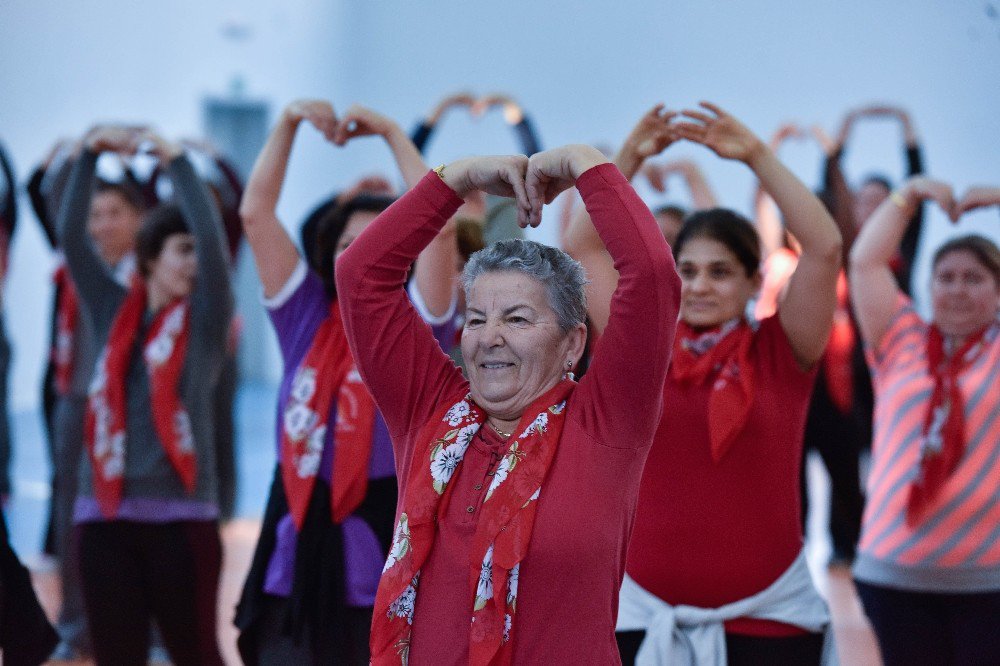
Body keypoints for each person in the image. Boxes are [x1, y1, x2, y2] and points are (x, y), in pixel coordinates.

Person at [336, 143, 678, 663]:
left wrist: (587, 166)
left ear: (573, 343)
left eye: (517, 319)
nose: (488, 337)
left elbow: (652, 277)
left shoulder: (608, 420)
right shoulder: (428, 407)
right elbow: (360, 276)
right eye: (476, 319)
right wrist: (454, 180)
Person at [591, 103, 841, 665]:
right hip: (642, 618)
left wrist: (755, 155)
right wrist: (627, 155)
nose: (700, 285)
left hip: (771, 622)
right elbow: (585, 247)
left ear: (755, 281)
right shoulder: (640, 350)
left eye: (721, 271)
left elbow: (824, 246)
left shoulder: (782, 349)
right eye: (688, 270)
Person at [234, 99, 458, 665]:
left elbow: (442, 225)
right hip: (297, 530)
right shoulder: (303, 313)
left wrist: (390, 130)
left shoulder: (421, 326)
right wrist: (284, 124)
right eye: (347, 245)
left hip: (384, 531)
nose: (359, 257)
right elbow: (256, 214)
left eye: (377, 245)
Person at [59, 125, 231, 666]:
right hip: (104, 520)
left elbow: (216, 246)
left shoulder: (205, 321)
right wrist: (88, 153)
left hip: (183, 520)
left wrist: (177, 159)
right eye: (182, 251)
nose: (193, 263)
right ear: (151, 257)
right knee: (117, 656)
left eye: (196, 252)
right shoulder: (111, 307)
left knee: (195, 654)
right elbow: (70, 237)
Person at [849, 178, 1000, 665]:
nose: (957, 290)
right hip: (893, 575)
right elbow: (865, 262)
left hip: (988, 579)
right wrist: (906, 196)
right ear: (929, 285)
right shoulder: (902, 338)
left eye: (974, 278)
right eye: (946, 277)